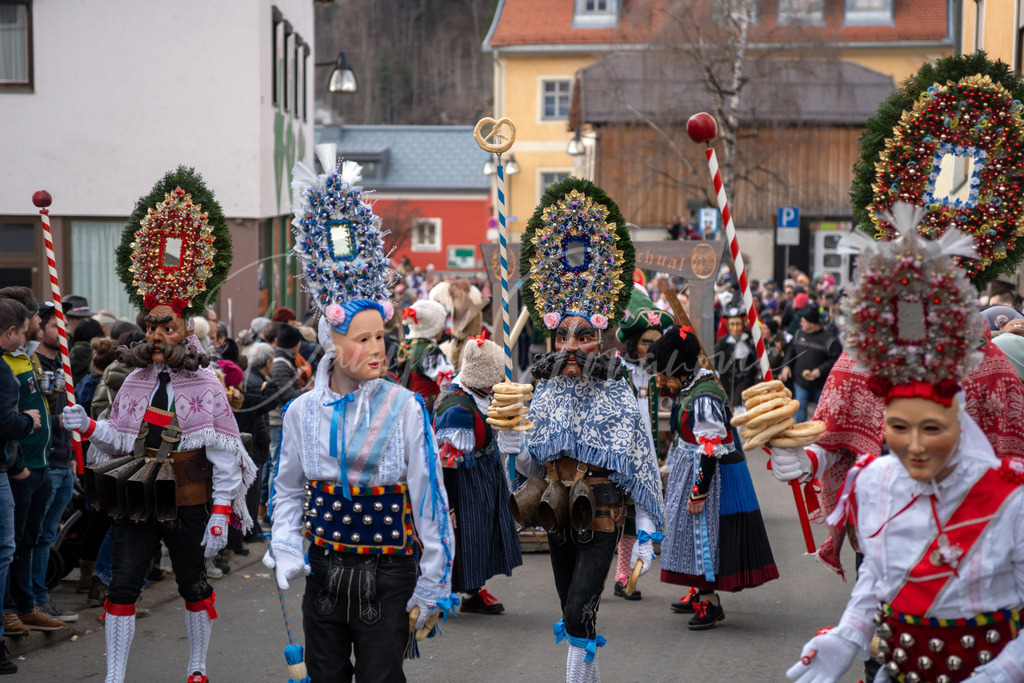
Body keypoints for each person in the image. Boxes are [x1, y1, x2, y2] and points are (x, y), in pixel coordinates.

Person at [785, 210, 1024, 683]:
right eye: (899, 427)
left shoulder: (1011, 495)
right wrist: (804, 457)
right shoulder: (873, 482)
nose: (914, 445)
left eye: (931, 428)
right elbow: (878, 574)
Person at [61, 167, 257, 683]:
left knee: (193, 584)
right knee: (124, 585)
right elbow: (122, 439)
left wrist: (220, 514)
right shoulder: (133, 380)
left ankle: (196, 666)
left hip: (191, 500)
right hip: (139, 497)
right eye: (148, 325)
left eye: (164, 326)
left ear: (184, 327)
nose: (153, 335)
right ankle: (115, 675)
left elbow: (223, 451)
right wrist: (87, 427)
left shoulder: (208, 384)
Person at [266, 146, 454, 681]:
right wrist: (284, 545)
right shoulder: (303, 412)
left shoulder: (406, 408)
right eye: (363, 338)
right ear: (332, 341)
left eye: (382, 336)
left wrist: (433, 579)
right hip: (324, 568)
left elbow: (429, 497)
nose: (378, 349)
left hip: (390, 571)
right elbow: (288, 489)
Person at [509, 177, 664, 681]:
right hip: (556, 511)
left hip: (601, 515)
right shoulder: (547, 389)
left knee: (579, 610)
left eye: (583, 336)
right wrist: (514, 441)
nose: (571, 346)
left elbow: (638, 460)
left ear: (602, 338)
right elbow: (530, 461)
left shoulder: (621, 391)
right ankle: (586, 675)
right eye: (562, 335)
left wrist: (645, 531)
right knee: (571, 610)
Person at [648, 323, 779, 630]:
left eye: (663, 373)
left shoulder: (703, 396)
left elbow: (710, 448)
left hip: (712, 476)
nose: (660, 380)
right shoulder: (693, 386)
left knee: (703, 534)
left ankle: (711, 603)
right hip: (693, 469)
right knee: (689, 532)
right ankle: (697, 589)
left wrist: (698, 491)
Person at [433, 337, 522, 614]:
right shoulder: (457, 408)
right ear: (481, 377)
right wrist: (450, 506)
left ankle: (473, 591)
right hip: (464, 483)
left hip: (483, 474)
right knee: (465, 537)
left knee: (484, 534)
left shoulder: (479, 394)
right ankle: (440, 594)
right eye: (493, 380)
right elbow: (446, 464)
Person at [0, 287, 64, 635]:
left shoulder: (25, 357)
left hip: (42, 462)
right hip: (21, 466)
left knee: (30, 538)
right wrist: (19, 463)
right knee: (13, 544)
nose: (41, 321)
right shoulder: (7, 360)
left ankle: (27, 604)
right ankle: (11, 609)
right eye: (38, 316)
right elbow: (7, 417)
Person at [611, 285, 673, 601]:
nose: (650, 346)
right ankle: (605, 571)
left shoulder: (657, 372)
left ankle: (626, 574)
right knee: (613, 512)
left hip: (646, 452)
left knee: (637, 513)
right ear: (634, 342)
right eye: (646, 341)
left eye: (655, 341)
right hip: (618, 452)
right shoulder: (616, 369)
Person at [32, 301, 82, 623]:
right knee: (35, 535)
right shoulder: (32, 363)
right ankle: (33, 598)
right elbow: (34, 415)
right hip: (45, 461)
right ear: (40, 328)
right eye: (55, 326)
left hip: (66, 461)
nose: (62, 331)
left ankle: (40, 596)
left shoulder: (63, 362)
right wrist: (58, 422)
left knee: (48, 534)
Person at [0, 298, 39, 671]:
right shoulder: (2, 370)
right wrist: (27, 421)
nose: (24, 341)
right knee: (4, 550)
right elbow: (5, 423)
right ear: (10, 332)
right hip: (4, 469)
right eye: (23, 334)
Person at [779, 307, 840, 423]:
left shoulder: (829, 340)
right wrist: (786, 365)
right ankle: (800, 438)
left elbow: (835, 359)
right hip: (800, 382)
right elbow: (791, 350)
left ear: (811, 324)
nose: (800, 324)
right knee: (800, 410)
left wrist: (820, 370)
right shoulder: (798, 334)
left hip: (820, 384)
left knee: (822, 412)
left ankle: (821, 436)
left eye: (803, 322)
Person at [395, 299, 454, 412]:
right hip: (427, 410)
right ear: (433, 326)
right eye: (441, 324)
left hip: (408, 406)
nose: (443, 328)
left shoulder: (405, 345)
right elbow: (447, 383)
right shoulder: (429, 350)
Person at [714, 307, 761, 411]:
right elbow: (716, 359)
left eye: (738, 324)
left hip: (745, 377)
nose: (735, 328)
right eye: (732, 324)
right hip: (727, 378)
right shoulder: (723, 342)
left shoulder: (749, 339)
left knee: (739, 402)